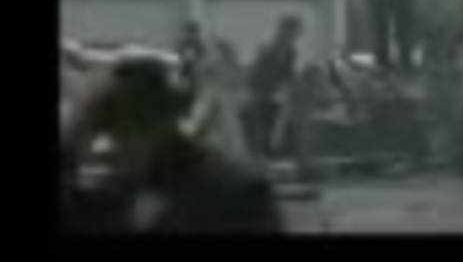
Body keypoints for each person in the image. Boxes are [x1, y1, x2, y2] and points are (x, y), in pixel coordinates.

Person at [60, 55, 283, 234]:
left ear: (164, 121)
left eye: (131, 128)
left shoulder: (238, 192)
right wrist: (77, 129)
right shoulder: (118, 194)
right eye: (111, 130)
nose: (115, 146)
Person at [242, 15, 304, 160]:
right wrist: (266, 92)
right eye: (293, 32)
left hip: (275, 94)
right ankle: (263, 152)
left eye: (296, 33)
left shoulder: (291, 52)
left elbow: (288, 75)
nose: (295, 36)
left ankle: (278, 151)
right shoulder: (267, 49)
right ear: (283, 30)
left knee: (284, 117)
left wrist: (294, 86)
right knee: (264, 123)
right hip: (260, 93)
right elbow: (255, 76)